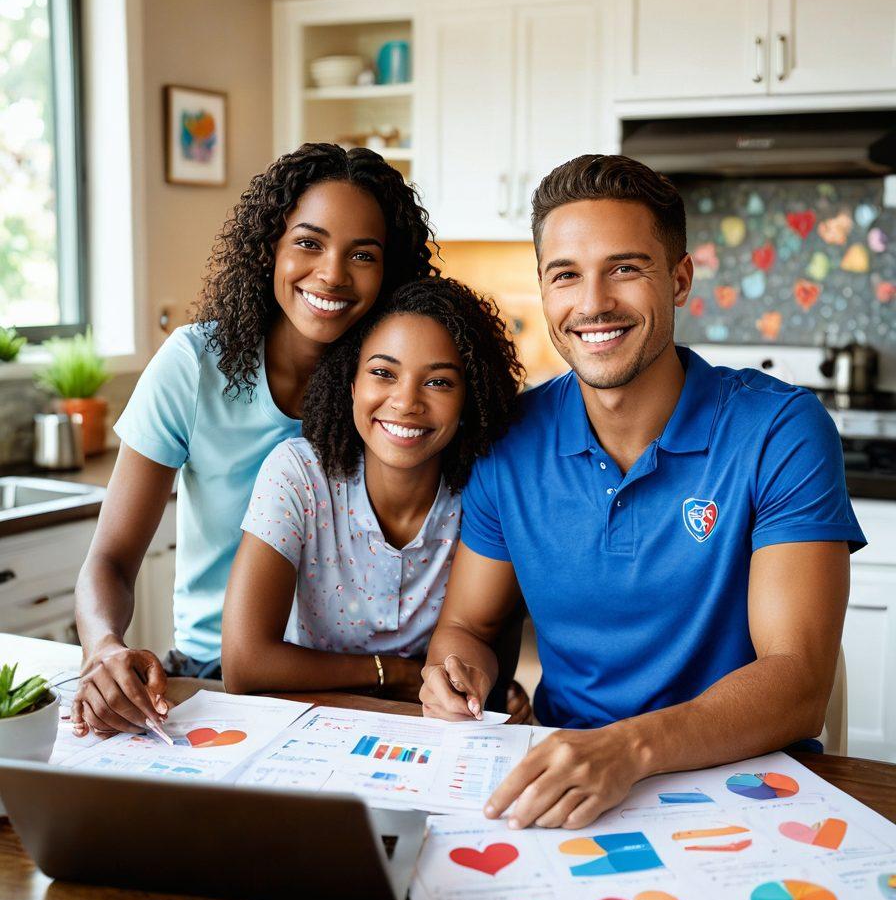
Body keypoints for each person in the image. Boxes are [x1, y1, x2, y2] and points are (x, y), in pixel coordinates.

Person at [420, 153, 865, 829]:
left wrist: (627, 749)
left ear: (680, 279)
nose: (593, 302)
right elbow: (468, 627)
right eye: (566, 276)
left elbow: (799, 681)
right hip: (568, 787)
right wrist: (455, 677)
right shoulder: (507, 441)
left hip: (753, 791)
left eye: (625, 268)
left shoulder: (780, 429)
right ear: (544, 290)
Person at [72, 143, 437, 737]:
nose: (332, 274)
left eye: (362, 255)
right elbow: (110, 559)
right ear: (271, 246)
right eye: (309, 242)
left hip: (353, 675)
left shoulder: (393, 393)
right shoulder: (194, 366)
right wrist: (103, 647)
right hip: (214, 676)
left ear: (389, 272)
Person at [222, 276, 530, 716]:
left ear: (469, 400)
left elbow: (489, 652)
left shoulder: (486, 492)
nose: (406, 402)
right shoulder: (298, 474)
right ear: (351, 385)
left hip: (430, 731)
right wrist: (397, 673)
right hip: (309, 723)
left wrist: (489, 691)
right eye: (383, 373)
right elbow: (244, 665)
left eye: (439, 382)